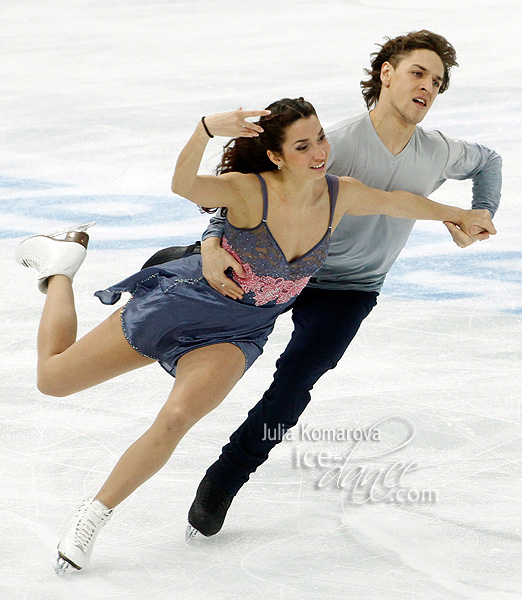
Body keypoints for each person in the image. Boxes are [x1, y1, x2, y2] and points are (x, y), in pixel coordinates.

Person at [15, 97, 494, 574]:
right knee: (53, 380)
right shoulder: (248, 192)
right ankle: (61, 269)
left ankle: (93, 514)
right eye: (302, 146)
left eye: (320, 138)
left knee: (177, 417)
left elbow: (399, 202)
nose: (319, 153)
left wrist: (459, 213)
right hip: (183, 307)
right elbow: (184, 185)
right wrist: (205, 129)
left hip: (240, 332)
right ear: (275, 155)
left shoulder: (339, 194)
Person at [184, 30, 502, 539]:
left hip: (352, 288)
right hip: (285, 267)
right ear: (387, 74)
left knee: (295, 384)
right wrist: (209, 239)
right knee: (188, 303)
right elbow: (257, 188)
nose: (428, 86)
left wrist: (481, 213)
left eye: (437, 81)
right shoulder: (336, 145)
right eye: (418, 73)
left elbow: (489, 161)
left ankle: (225, 478)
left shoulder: (439, 151)